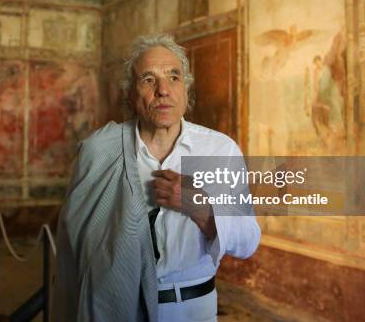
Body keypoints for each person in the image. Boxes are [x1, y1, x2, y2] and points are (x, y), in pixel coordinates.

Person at [52, 34, 260, 321]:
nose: (163, 89)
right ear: (131, 95)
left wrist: (198, 206)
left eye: (174, 77)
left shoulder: (218, 150)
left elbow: (248, 241)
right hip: (116, 309)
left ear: (186, 90)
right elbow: (73, 249)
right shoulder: (100, 150)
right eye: (148, 79)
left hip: (192, 310)